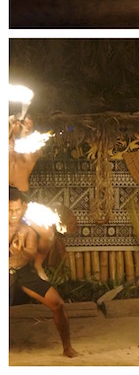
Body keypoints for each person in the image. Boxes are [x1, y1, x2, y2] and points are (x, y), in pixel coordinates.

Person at [9, 189, 78, 358]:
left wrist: (24, 257)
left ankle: (67, 347)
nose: (14, 215)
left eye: (17, 210)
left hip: (24, 272)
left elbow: (34, 248)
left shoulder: (29, 227)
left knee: (58, 304)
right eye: (9, 210)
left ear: (23, 207)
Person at [9, 115, 56, 281]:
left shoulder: (30, 152)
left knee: (48, 233)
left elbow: (29, 149)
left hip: (22, 202)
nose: (19, 127)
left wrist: (26, 132)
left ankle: (37, 264)